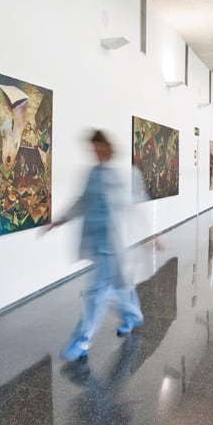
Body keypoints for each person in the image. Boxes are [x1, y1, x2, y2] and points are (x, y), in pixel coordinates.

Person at [46, 130, 146, 362]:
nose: (97, 154)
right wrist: (61, 219)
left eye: (100, 149)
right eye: (94, 150)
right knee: (119, 285)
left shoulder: (120, 176)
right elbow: (82, 201)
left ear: (109, 149)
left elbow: (133, 206)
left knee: (95, 294)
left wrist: (150, 235)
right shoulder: (92, 174)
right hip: (96, 242)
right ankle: (132, 316)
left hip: (112, 245)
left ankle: (81, 341)